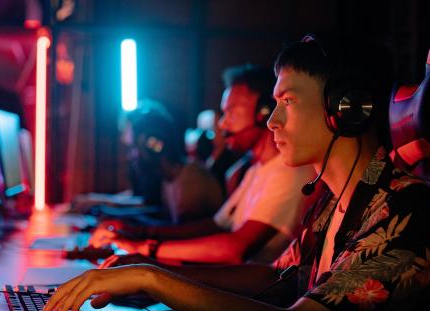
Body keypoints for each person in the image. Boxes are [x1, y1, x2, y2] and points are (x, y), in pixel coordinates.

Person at [42, 35, 430, 311]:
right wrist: (152, 275)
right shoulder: (334, 200)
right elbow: (277, 278)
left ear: (345, 109)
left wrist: (152, 277)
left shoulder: (406, 212)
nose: (272, 121)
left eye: (287, 102)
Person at [93, 65, 314, 264]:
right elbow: (216, 225)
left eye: (231, 111)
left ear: (263, 112)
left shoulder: (288, 172)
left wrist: (146, 248)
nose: (222, 123)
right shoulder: (256, 169)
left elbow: (235, 248)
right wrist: (139, 232)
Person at [120, 100, 224, 224]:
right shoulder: (168, 180)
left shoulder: (192, 180)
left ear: (154, 146)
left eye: (134, 148)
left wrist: (134, 232)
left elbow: (184, 234)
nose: (130, 156)